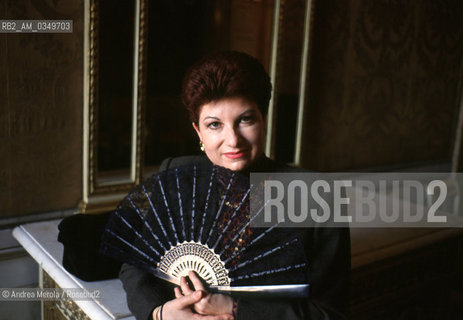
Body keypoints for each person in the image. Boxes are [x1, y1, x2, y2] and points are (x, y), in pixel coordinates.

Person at [119, 51, 351, 320]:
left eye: (245, 120)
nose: (233, 140)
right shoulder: (176, 174)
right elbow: (133, 265)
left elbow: (331, 315)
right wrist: (159, 313)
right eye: (214, 124)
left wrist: (235, 309)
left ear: (263, 119)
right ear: (198, 131)